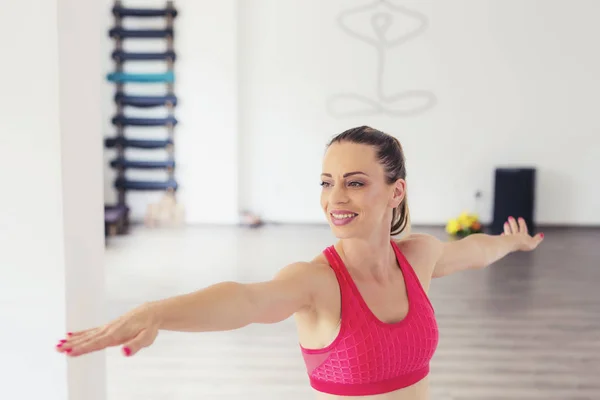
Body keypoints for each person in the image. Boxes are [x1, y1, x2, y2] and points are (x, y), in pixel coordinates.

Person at [56, 126, 544, 399]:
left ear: (397, 191)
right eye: (326, 182)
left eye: (355, 181)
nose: (335, 196)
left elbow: (473, 252)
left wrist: (510, 243)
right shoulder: (316, 282)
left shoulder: (418, 256)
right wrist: (157, 312)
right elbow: (245, 300)